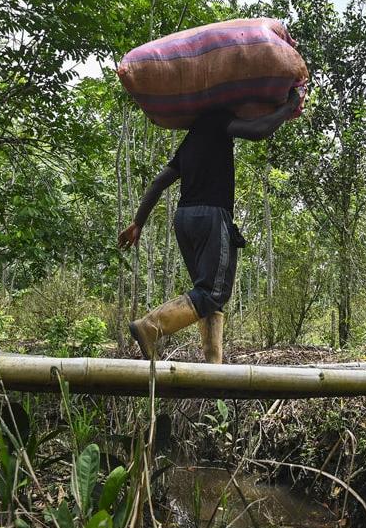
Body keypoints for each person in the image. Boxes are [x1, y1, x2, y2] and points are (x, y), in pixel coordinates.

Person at [118, 89, 302, 363]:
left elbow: (159, 182)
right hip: (211, 217)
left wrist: (138, 222)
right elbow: (258, 130)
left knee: (207, 294)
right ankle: (151, 325)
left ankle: (213, 363)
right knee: (214, 292)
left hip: (184, 220)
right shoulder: (218, 120)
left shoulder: (191, 139)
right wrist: (288, 107)